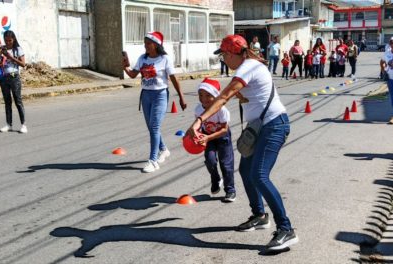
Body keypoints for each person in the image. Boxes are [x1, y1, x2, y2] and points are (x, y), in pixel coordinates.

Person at [187, 34, 298, 251]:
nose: (223, 60)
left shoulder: (247, 67)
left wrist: (199, 120)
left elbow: (223, 96)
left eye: (224, 55)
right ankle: (259, 215)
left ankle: (286, 229)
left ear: (232, 53)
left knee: (259, 175)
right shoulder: (250, 67)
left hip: (274, 125)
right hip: (260, 127)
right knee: (245, 170)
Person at [123, 31, 187, 173]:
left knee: (154, 127)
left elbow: (174, 79)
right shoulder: (142, 58)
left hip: (160, 95)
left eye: (148, 43)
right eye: (145, 43)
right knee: (152, 128)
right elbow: (133, 74)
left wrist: (181, 97)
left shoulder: (164, 59)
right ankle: (163, 149)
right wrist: (125, 66)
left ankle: (153, 161)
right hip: (145, 96)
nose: (146, 46)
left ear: (156, 45)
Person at [194, 78, 236, 202]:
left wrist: (208, 137)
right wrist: (196, 136)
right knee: (210, 161)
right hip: (208, 137)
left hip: (223, 137)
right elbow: (199, 126)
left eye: (208, 95)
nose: (204, 98)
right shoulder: (198, 109)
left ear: (216, 96)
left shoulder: (222, 110)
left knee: (226, 164)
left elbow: (224, 129)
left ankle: (230, 190)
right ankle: (216, 179)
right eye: (200, 95)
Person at [0, 30, 27, 134]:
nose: (8, 43)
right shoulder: (2, 48)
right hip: (4, 78)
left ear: (14, 39)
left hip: (14, 77)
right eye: (6, 40)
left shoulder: (18, 49)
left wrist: (10, 57)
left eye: (10, 40)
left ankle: (23, 125)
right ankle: (9, 125)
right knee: (7, 102)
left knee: (18, 101)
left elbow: (23, 64)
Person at [380, 36, 393, 124]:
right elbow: (382, 61)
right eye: (391, 43)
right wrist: (383, 69)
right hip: (390, 79)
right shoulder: (387, 53)